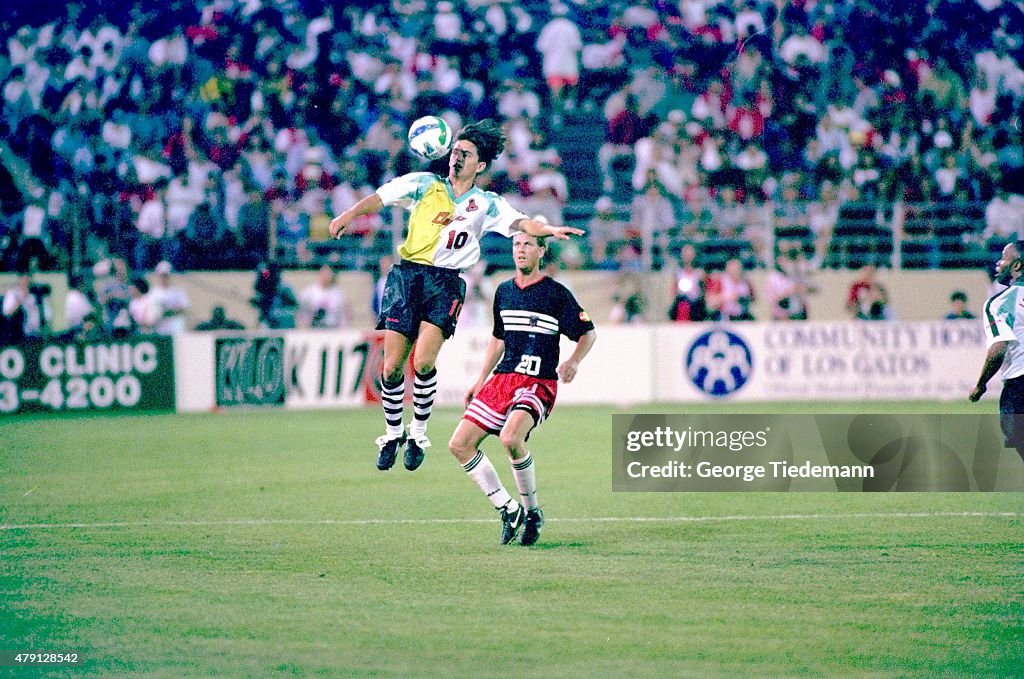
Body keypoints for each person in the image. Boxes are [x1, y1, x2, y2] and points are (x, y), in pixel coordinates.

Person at [328, 118, 583, 473]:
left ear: (480, 165)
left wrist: (550, 229)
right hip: (407, 276)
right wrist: (349, 213)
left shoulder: (486, 204)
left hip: (445, 283)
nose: (456, 157)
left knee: (424, 363)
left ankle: (417, 434)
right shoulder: (423, 184)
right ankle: (392, 432)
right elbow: (381, 198)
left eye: (465, 153)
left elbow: (523, 224)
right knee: (390, 367)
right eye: (455, 151)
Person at [448, 232, 596, 545]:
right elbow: (498, 338)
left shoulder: (556, 294)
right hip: (504, 379)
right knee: (459, 444)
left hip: (538, 381)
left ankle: (531, 512)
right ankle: (508, 508)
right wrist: (480, 379)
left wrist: (573, 361)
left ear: (541, 251)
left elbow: (588, 333)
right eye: (517, 244)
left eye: (528, 244)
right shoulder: (504, 291)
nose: (521, 250)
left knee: (510, 437)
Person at [969, 240, 1024, 465]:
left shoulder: (1000, 303)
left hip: (1019, 383)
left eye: (1004, 257)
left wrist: (981, 384)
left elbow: (999, 347)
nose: (998, 263)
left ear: (1017, 266)